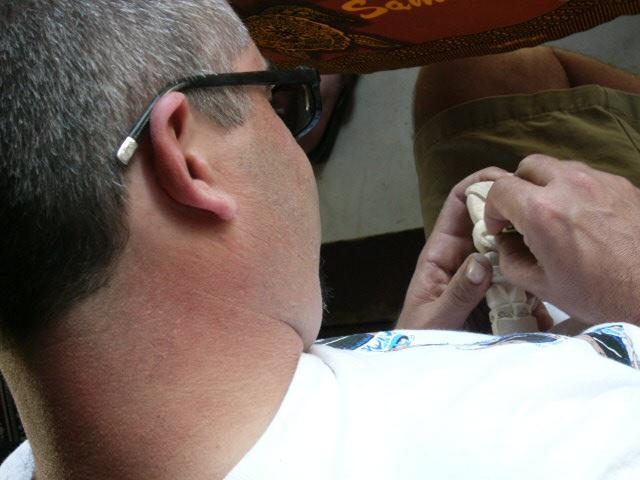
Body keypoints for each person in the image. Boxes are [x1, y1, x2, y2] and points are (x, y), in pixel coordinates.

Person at [1, 2, 640, 480]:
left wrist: (403, 348)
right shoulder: (582, 440)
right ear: (188, 161)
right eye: (276, 98)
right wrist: (630, 276)